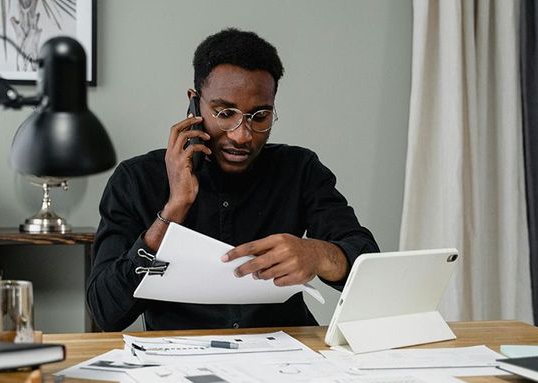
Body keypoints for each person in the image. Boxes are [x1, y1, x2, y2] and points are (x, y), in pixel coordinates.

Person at [87, 28, 378, 331]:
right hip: (181, 361)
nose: (242, 135)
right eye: (224, 113)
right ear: (194, 103)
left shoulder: (300, 169)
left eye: (260, 116)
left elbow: (367, 263)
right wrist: (172, 211)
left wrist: (317, 255)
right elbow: (106, 312)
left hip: (287, 357)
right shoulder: (136, 180)